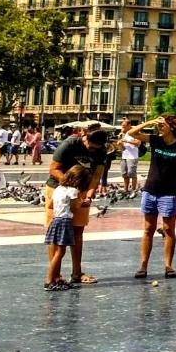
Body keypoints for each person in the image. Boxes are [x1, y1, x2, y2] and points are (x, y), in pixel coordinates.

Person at [43, 126, 108, 286]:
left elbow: (97, 175)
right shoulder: (70, 144)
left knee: (78, 231)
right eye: (88, 143)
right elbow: (53, 169)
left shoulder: (101, 152)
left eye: (93, 148)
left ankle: (77, 273)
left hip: (81, 191)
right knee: (56, 235)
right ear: (84, 135)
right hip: (58, 188)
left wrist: (89, 194)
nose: (89, 148)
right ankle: (55, 276)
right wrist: (69, 184)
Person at [129, 114, 176, 279]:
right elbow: (132, 133)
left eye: (162, 125)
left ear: (171, 127)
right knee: (148, 229)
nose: (159, 128)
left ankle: (168, 266)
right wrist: (150, 122)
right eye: (158, 126)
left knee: (168, 230)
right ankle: (143, 266)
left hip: (169, 193)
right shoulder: (155, 140)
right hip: (150, 190)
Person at [44, 164, 91, 291]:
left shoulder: (58, 189)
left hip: (55, 221)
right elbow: (74, 208)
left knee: (57, 252)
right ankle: (49, 280)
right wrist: (83, 203)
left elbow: (49, 205)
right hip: (65, 222)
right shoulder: (74, 191)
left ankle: (54, 278)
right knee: (60, 252)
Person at [119, 118, 142, 193]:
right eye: (122, 126)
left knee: (131, 173)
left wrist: (127, 141)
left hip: (132, 156)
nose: (122, 128)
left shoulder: (136, 132)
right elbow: (123, 147)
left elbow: (138, 143)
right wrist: (120, 144)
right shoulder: (123, 133)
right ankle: (126, 190)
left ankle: (133, 190)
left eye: (124, 126)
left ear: (129, 125)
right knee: (124, 174)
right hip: (124, 156)